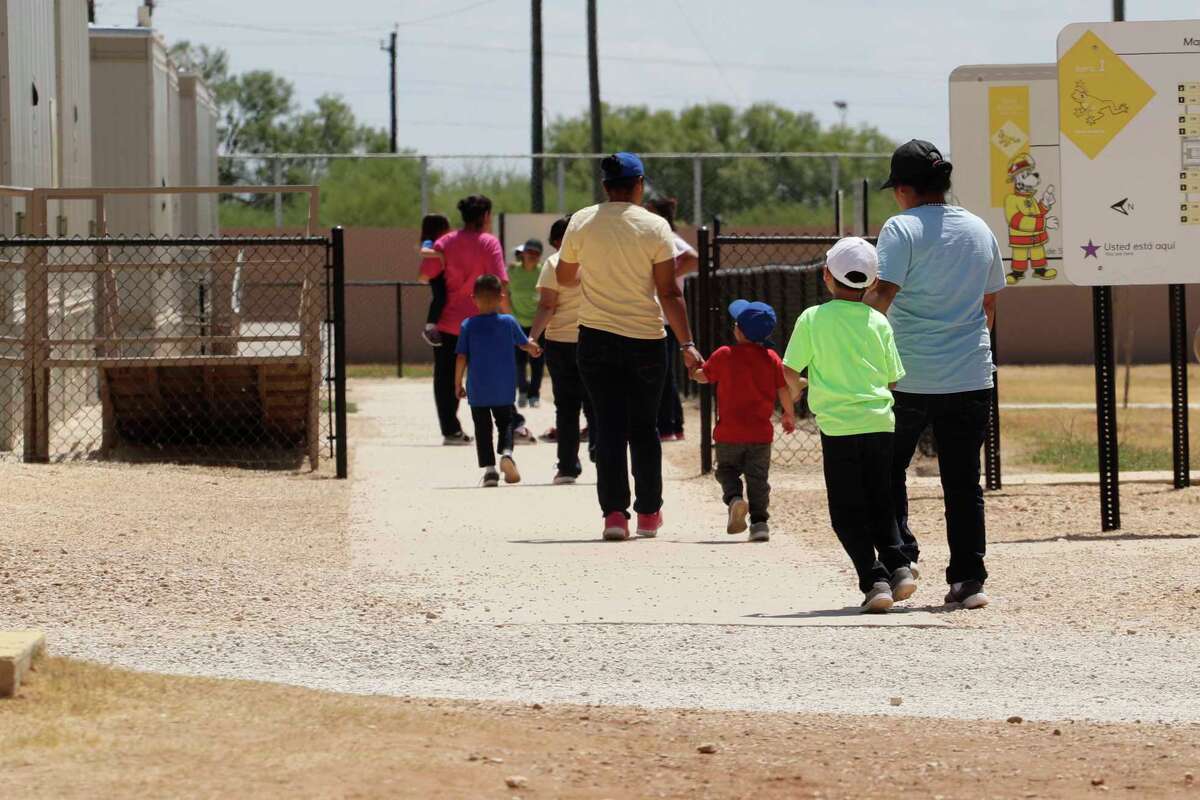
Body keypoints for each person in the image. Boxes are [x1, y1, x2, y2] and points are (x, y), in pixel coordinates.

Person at [864, 140, 1006, 611]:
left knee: (887, 471)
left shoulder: (900, 228)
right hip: (969, 373)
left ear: (903, 189)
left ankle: (901, 558)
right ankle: (969, 579)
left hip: (905, 375)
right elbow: (989, 303)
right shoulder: (979, 228)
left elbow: (883, 294)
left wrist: (862, 351)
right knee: (963, 482)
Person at [557, 152, 702, 541]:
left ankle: (614, 515)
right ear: (639, 184)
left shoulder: (581, 222)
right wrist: (687, 342)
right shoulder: (655, 226)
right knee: (644, 427)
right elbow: (669, 291)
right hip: (646, 339)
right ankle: (649, 513)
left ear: (604, 186)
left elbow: (565, 276)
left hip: (595, 337)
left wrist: (594, 274)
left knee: (607, 426)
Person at [783, 237, 916, 613]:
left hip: (839, 427)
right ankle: (900, 566)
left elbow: (789, 368)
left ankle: (873, 580)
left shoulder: (812, 318)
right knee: (880, 500)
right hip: (879, 423)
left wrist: (797, 392)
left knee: (845, 511)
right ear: (872, 283)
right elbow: (893, 378)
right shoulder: (878, 321)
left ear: (827, 276)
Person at [691, 300, 795, 543]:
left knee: (726, 470)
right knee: (758, 479)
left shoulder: (724, 354)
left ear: (739, 330)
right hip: (760, 434)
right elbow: (783, 390)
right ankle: (759, 524)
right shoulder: (771, 358)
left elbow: (702, 377)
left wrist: (692, 369)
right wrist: (788, 414)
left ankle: (735, 498)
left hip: (728, 433)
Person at [422, 195, 508, 446]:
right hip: (484, 321)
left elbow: (428, 274)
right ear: (484, 216)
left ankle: (450, 429)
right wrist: (507, 316)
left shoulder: (445, 242)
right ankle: (496, 425)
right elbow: (499, 281)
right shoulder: (489, 243)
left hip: (449, 322)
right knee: (485, 374)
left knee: (446, 375)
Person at [455, 274, 542, 487]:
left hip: (478, 390)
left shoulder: (468, 325)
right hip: (503, 388)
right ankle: (507, 454)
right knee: (506, 423)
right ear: (501, 297)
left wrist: (457, 383)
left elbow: (461, 357)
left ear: (473, 298)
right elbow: (523, 343)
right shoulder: (508, 322)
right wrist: (533, 348)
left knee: (482, 429)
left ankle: (490, 471)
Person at [529, 216, 595, 484]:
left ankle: (567, 466)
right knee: (597, 403)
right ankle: (602, 452)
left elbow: (547, 306)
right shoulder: (596, 262)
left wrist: (532, 336)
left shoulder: (554, 263)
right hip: (594, 338)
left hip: (560, 343)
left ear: (559, 241)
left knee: (566, 407)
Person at [645, 197, 698, 442]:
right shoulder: (661, 237)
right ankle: (674, 425)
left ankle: (667, 426)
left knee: (662, 375)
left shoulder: (667, 236)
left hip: (664, 317)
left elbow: (693, 258)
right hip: (663, 316)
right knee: (665, 374)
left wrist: (666, 277)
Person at [509, 239, 546, 408]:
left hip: (538, 324)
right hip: (517, 323)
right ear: (523, 253)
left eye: (536, 253)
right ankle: (522, 391)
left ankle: (534, 394)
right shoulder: (512, 270)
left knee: (537, 361)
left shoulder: (543, 271)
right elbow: (504, 294)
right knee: (519, 361)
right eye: (529, 252)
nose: (532, 256)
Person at [416, 213, 452, 348]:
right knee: (440, 298)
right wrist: (440, 255)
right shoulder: (430, 241)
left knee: (444, 298)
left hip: (442, 275)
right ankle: (429, 327)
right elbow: (423, 251)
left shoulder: (443, 242)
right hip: (436, 277)